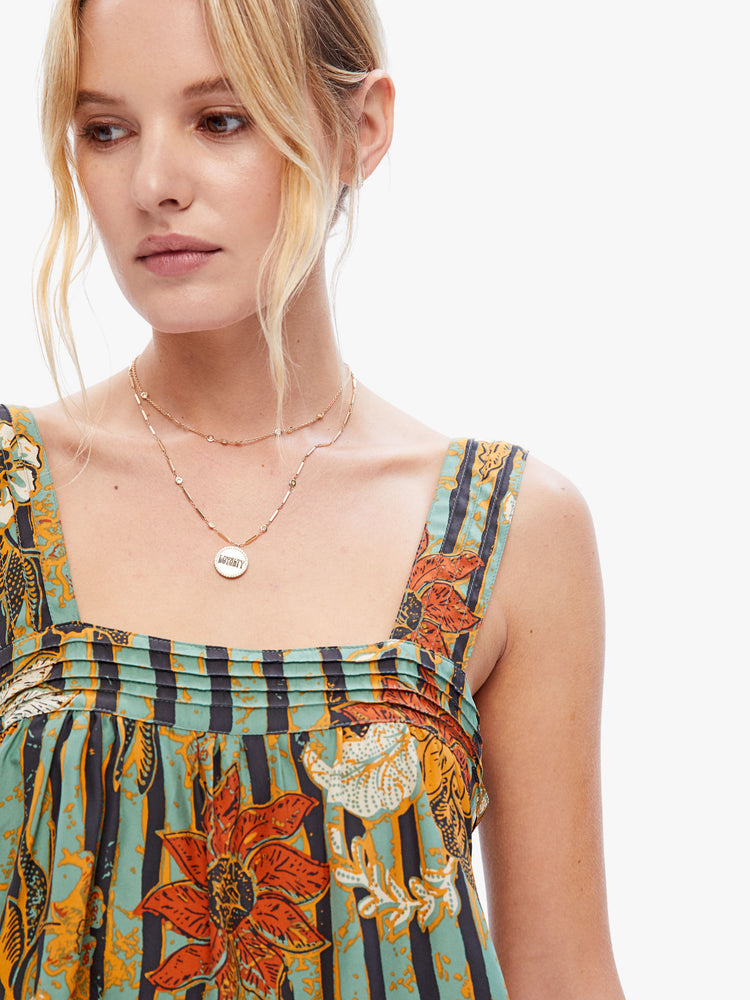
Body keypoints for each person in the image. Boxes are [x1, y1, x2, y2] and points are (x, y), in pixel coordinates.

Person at [0, 0, 626, 997]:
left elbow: (562, 974)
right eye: (106, 130)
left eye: (221, 119)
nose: (155, 184)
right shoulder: (11, 497)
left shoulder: (508, 532)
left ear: (359, 130)